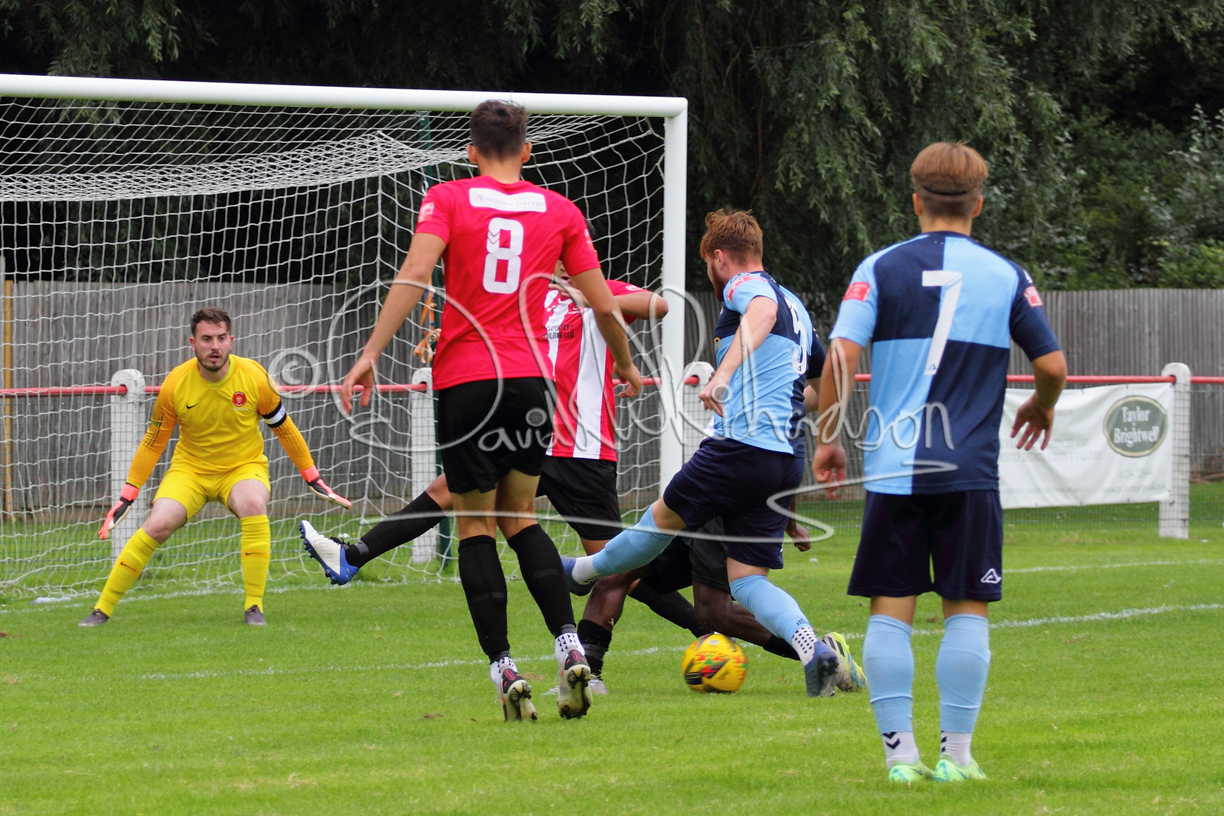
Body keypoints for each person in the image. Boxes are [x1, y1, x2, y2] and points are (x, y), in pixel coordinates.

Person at [333, 100, 642, 722]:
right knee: (522, 518)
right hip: (531, 384)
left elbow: (415, 275)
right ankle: (569, 645)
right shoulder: (561, 210)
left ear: (471, 151)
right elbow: (606, 305)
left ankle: (505, 668)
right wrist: (628, 365)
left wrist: (369, 355)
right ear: (526, 150)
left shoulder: (447, 198)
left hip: (468, 381)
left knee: (476, 524)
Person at [301, 271, 703, 692]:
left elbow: (657, 305)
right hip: (525, 436)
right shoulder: (530, 295)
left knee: (616, 569)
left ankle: (705, 626)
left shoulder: (599, 289)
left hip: (582, 448)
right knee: (445, 492)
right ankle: (352, 557)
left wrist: (588, 297)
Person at [812, 142, 1067, 783]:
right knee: (967, 608)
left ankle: (901, 759)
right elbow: (1052, 365)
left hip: (895, 468)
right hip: (968, 471)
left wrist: (828, 438)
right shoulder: (1007, 275)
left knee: (890, 609)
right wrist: (1042, 405)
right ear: (978, 204)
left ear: (916, 200)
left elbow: (840, 356)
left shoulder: (880, 267)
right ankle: (957, 757)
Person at [564, 209, 863, 698]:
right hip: (782, 458)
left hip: (736, 449)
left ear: (719, 257)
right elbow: (820, 379)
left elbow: (761, 312)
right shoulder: (797, 306)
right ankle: (814, 650)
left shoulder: (746, 287)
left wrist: (723, 376)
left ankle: (579, 572)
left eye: (709, 263)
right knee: (746, 583)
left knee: (657, 524)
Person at [78, 307, 350, 628]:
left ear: (231, 340)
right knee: (157, 524)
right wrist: (128, 494)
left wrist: (312, 476)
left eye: (221, 338)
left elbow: (285, 428)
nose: (215, 346)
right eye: (206, 339)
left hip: (242, 468)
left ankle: (254, 607)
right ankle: (101, 609)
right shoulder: (175, 383)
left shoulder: (254, 377)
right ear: (192, 343)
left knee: (253, 504)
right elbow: (153, 442)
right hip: (190, 471)